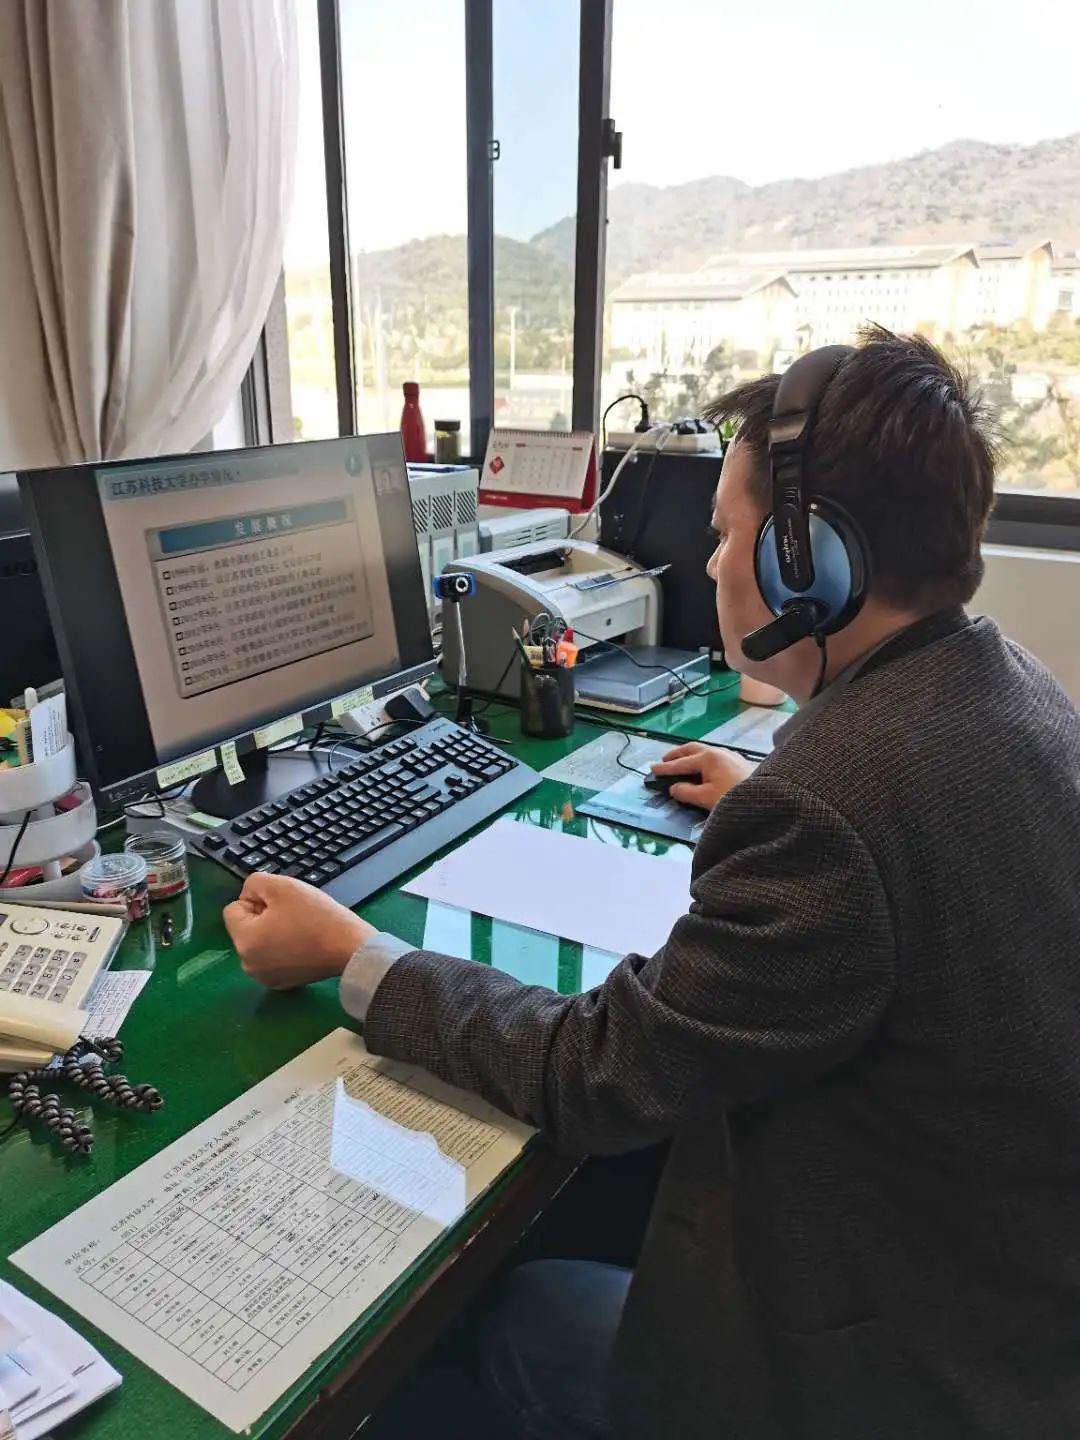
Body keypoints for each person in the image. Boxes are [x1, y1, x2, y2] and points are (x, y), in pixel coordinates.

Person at [224, 327, 1080, 1439]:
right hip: (1010, 1299)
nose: (715, 565)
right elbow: (902, 848)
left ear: (810, 565)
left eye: (726, 535)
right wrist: (769, 793)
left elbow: (599, 1072)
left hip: (892, 1376)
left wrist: (356, 957)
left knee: (517, 1312)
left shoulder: (828, 812)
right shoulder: (1008, 685)